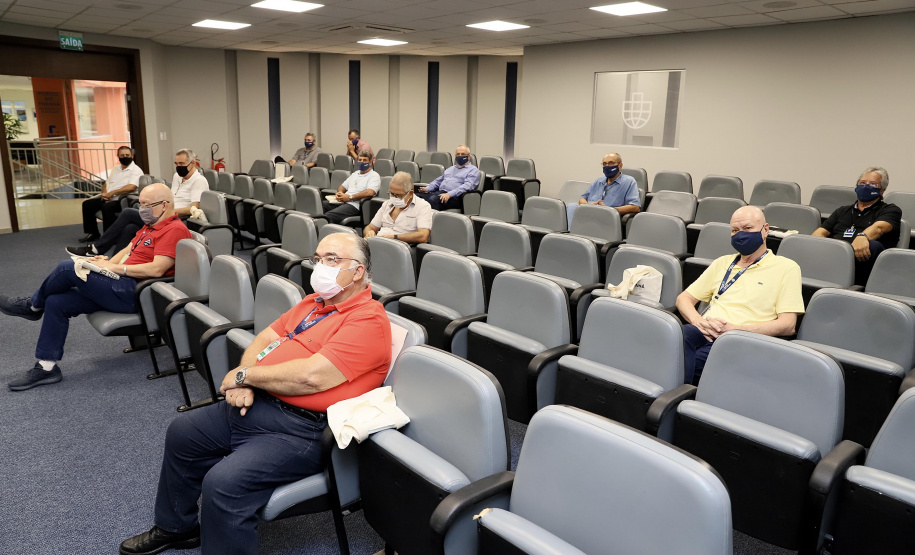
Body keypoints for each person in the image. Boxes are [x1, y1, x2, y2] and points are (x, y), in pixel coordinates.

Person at [119, 233, 391, 555]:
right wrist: (246, 380)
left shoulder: (368, 319)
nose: (320, 266)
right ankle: (177, 528)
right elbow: (264, 339)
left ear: (358, 271)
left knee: (223, 483)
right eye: (318, 259)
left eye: (332, 259)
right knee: (183, 433)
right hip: (262, 400)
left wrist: (245, 375)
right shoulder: (313, 303)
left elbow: (310, 378)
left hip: (304, 429)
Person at [1, 183, 191, 391]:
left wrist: (114, 268)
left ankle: (32, 306)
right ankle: (47, 367)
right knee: (57, 302)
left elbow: (157, 269)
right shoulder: (151, 225)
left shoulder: (174, 230)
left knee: (67, 268)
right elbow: (129, 250)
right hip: (121, 283)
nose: (142, 209)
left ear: (164, 205)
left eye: (147, 205)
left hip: (136, 293)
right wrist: (105, 263)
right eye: (141, 204)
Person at [675, 205, 805, 385]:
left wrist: (736, 329)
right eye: (735, 230)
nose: (741, 234)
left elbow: (788, 325)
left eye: (748, 228)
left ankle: (677, 396)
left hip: (743, 338)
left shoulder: (786, 268)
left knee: (687, 363)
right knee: (672, 340)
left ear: (765, 230)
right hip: (705, 330)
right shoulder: (722, 262)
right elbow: (683, 299)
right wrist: (699, 322)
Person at [67, 149, 208, 257]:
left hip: (175, 220)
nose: (178, 167)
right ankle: (114, 262)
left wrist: (167, 211)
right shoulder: (177, 176)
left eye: (181, 164)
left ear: (193, 163)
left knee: (128, 212)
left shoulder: (199, 181)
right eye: (176, 164)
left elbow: (193, 208)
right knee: (130, 228)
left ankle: (97, 249)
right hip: (163, 215)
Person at [812, 167, 900, 286]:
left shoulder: (891, 210)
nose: (866, 186)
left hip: (863, 265)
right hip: (831, 257)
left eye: (873, 184)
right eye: (862, 183)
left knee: (873, 246)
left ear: (882, 190)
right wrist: (825, 248)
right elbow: (819, 233)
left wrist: (863, 237)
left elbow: (879, 228)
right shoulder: (842, 211)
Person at [78, 145, 144, 242]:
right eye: (122, 155)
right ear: (118, 157)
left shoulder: (136, 170)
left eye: (127, 155)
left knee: (107, 207)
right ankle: (93, 233)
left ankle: (108, 237)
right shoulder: (116, 169)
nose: (125, 157)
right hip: (109, 197)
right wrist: (104, 193)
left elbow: (132, 187)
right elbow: (106, 184)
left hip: (122, 200)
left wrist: (112, 193)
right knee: (87, 204)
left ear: (132, 156)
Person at [567, 153, 640, 223]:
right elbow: (582, 199)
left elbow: (635, 207)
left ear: (620, 165)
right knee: (572, 206)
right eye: (604, 164)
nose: (607, 166)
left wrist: (610, 210)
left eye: (611, 163)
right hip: (591, 212)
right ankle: (570, 231)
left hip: (608, 217)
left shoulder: (629, 181)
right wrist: (588, 205)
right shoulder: (599, 181)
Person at [364, 171, 432, 244]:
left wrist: (394, 237)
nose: (394, 197)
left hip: (399, 246)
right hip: (377, 242)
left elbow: (423, 236)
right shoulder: (387, 204)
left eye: (399, 195)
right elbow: (370, 227)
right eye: (392, 194)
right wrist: (369, 232)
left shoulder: (422, 206)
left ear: (411, 193)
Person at [321, 150, 379, 224]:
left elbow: (370, 192)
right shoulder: (355, 174)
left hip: (356, 205)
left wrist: (350, 197)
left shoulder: (374, 175)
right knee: (319, 207)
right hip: (344, 201)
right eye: (360, 160)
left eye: (364, 160)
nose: (362, 162)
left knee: (327, 217)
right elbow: (342, 186)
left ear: (370, 163)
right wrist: (340, 193)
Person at [417, 145, 480, 211]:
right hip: (440, 193)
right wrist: (428, 188)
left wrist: (449, 194)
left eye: (463, 154)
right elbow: (438, 181)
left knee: (432, 200)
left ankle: (432, 217)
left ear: (469, 156)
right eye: (458, 154)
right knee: (417, 197)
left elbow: (467, 186)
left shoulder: (473, 170)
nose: (460, 156)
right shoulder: (450, 169)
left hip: (456, 197)